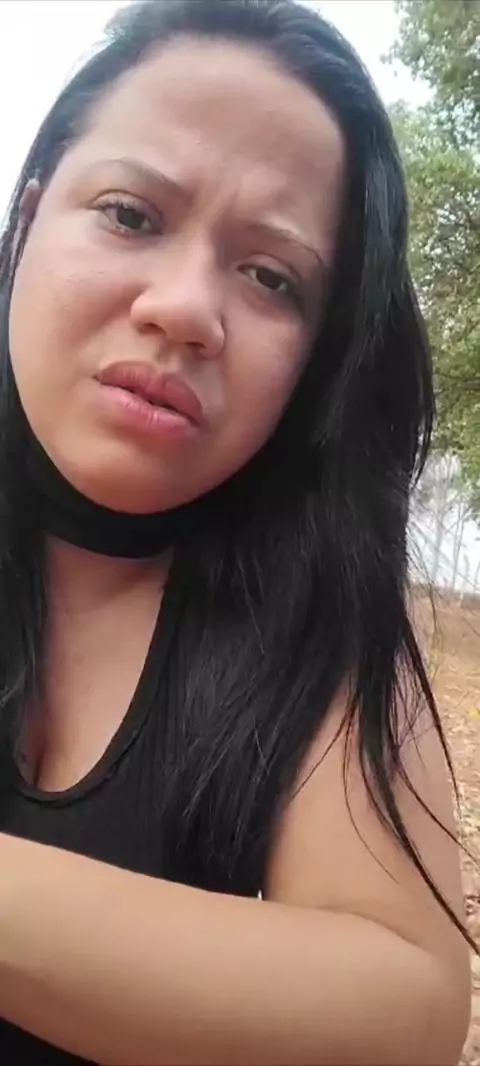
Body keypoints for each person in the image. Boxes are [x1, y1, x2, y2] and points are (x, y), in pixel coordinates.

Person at [0, 0, 473, 1062]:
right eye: (131, 214)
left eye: (271, 277)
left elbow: (404, 1008)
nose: (183, 309)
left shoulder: (316, 610)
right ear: (28, 221)